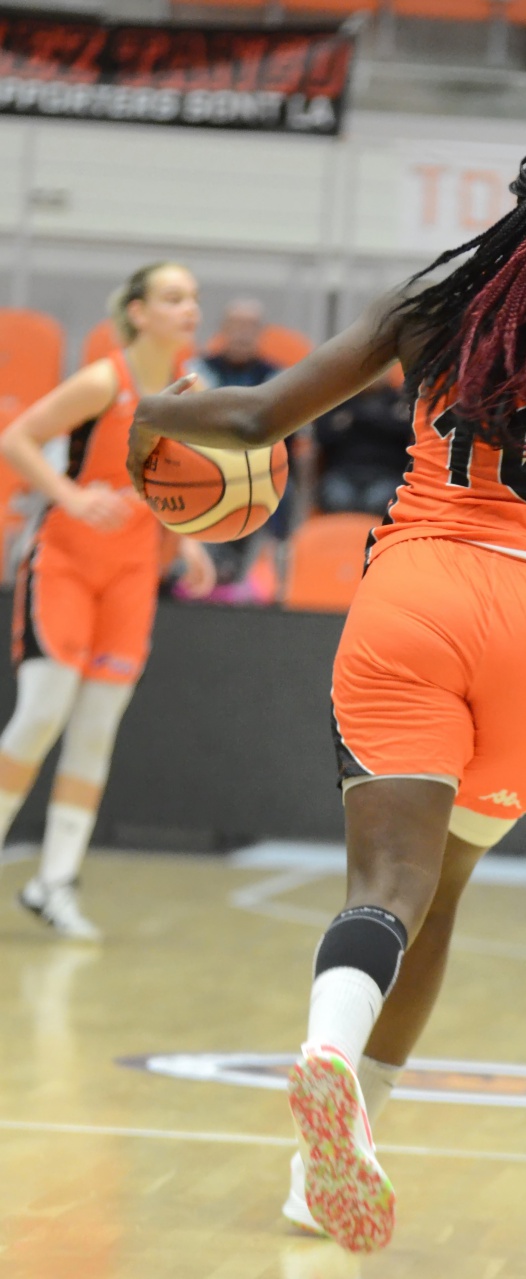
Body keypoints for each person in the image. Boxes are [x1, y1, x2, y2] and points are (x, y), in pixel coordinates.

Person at [127, 120, 526, 1254]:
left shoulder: (437, 303)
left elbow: (255, 417)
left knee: (384, 882)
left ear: (521, 197)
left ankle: (326, 1053)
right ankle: (321, 1170)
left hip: (417, 595)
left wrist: (151, 413)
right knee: (442, 892)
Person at [0, 262, 215, 941]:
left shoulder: (190, 392)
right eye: (173, 298)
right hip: (64, 561)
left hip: (133, 571)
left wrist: (190, 540)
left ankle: (54, 882)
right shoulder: (104, 380)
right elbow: (16, 439)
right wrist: (69, 496)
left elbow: (175, 483)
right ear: (138, 312)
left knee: (96, 728)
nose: (189, 308)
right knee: (42, 713)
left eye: (193, 298)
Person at [192, 299, 306, 594]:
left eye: (250, 327)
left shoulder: (278, 376)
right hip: (208, 467)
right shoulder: (196, 372)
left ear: (260, 333)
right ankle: (197, 574)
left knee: (283, 489)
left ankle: (271, 579)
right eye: (236, 325)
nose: (242, 333)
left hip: (261, 468)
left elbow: (284, 433)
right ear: (222, 329)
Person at [315, 374, 413, 516]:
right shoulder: (339, 402)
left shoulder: (398, 401)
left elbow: (406, 431)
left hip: (386, 474)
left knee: (378, 502)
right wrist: (377, 419)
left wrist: (355, 419)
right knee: (338, 499)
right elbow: (322, 435)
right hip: (343, 473)